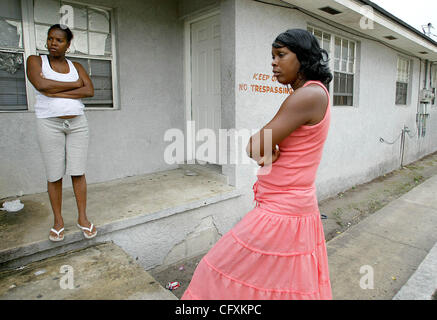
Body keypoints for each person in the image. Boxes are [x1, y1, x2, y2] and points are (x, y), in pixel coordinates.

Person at [182, 29, 333, 300]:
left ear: (304, 58)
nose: (273, 63)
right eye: (272, 56)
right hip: (289, 205)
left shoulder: (306, 96)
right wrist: (268, 150)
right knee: (279, 283)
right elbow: (269, 144)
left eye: (281, 55)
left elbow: (255, 145)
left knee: (215, 268)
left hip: (283, 211)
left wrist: (265, 150)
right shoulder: (312, 94)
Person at [26, 24, 97, 242]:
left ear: (67, 44)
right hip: (49, 123)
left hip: (77, 124)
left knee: (78, 172)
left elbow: (89, 90)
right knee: (54, 174)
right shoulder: (36, 61)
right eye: (50, 39)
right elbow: (40, 85)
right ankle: (58, 221)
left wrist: (54, 89)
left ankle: (82, 218)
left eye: (59, 40)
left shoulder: (75, 66)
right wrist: (75, 87)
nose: (53, 43)